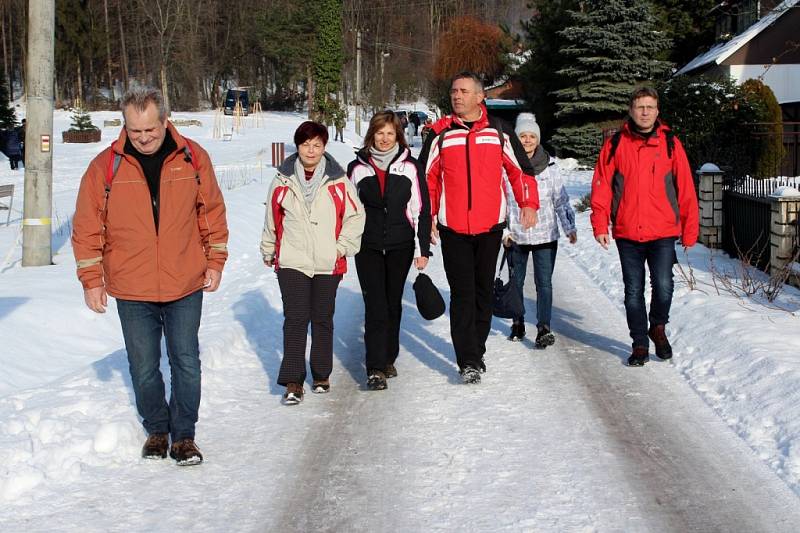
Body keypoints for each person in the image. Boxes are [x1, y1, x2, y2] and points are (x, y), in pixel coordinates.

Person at [72, 87, 229, 465]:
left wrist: (215, 260)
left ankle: (184, 436)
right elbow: (88, 227)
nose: (143, 138)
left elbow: (211, 213)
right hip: (132, 285)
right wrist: (92, 281)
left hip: (184, 280)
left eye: (150, 130)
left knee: (186, 360)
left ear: (164, 121)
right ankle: (158, 428)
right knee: (143, 366)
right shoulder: (104, 167)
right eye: (135, 131)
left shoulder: (192, 158)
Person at [418, 71, 539, 384]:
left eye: (463, 91)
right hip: (453, 227)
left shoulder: (499, 131)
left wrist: (528, 203)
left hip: (490, 227)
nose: (456, 96)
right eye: (453, 90)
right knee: (462, 293)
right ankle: (467, 359)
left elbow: (521, 171)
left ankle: (477, 348)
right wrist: (428, 215)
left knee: (483, 292)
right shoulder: (441, 134)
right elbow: (427, 178)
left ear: (480, 97)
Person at [590, 86, 699, 367]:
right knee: (633, 291)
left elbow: (685, 187)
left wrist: (690, 228)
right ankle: (639, 343)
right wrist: (600, 223)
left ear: (657, 111)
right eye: (640, 107)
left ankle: (658, 328)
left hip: (663, 231)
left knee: (664, 286)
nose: (645, 112)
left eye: (650, 107)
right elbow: (602, 185)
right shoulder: (615, 145)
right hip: (628, 231)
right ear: (631, 110)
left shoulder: (671, 143)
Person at [261, 121, 365, 405]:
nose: (311, 150)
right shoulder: (282, 179)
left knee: (322, 318)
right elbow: (272, 217)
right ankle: (293, 381)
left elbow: (356, 218)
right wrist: (269, 248)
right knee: (295, 319)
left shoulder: (338, 180)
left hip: (327, 262)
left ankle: (321, 374)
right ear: (297, 145)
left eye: (317, 145)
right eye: (306, 144)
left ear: (324, 148)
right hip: (292, 259)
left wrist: (340, 248)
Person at [347, 111, 431, 391]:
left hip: (400, 244)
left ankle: (389, 356)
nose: (384, 139)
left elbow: (420, 210)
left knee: (393, 302)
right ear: (372, 134)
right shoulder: (357, 168)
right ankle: (375, 367)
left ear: (398, 136)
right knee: (375, 304)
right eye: (380, 133)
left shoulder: (410, 167)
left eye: (390, 134)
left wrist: (422, 250)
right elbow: (348, 210)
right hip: (367, 245)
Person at [503, 113, 577, 348]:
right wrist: (504, 232)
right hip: (517, 234)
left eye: (531, 136)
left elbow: (561, 200)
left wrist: (569, 227)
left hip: (546, 234)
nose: (527, 140)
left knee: (544, 282)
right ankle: (518, 321)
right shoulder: (507, 166)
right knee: (516, 280)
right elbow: (500, 200)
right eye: (522, 136)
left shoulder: (551, 167)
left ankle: (543, 326)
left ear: (537, 138)